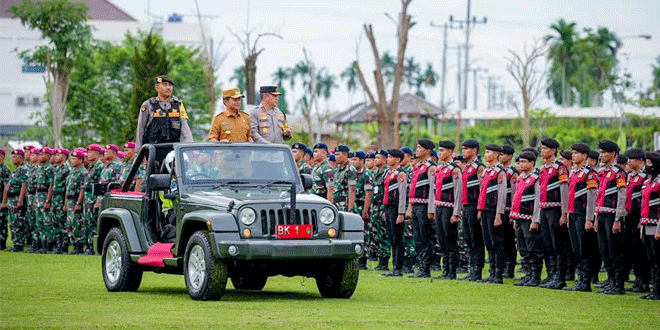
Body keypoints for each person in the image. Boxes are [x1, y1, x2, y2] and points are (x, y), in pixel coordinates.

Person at [564, 143, 598, 292]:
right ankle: (580, 279)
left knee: (584, 248)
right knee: (576, 248)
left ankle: (585, 282)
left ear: (584, 156)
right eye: (572, 153)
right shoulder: (573, 172)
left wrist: (589, 218)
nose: (573, 155)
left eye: (576, 153)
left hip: (583, 214)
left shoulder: (589, 174)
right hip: (572, 214)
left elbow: (591, 197)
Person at [594, 139, 627, 295]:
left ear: (613, 154)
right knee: (604, 250)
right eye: (600, 152)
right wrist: (595, 217)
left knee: (615, 250)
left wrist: (617, 218)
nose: (601, 155)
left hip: (612, 215)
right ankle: (611, 281)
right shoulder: (601, 172)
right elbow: (598, 195)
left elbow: (622, 196)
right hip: (601, 215)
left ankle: (618, 285)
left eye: (604, 152)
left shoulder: (618, 173)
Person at [135, 75, 193, 162]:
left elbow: (185, 129)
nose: (168, 88)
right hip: (153, 150)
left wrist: (190, 148)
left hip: (173, 149)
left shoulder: (178, 105)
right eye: (165, 85)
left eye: (170, 85)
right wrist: (139, 152)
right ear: (156, 87)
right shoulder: (148, 105)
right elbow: (141, 129)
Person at [537, 138, 570, 290]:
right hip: (544, 209)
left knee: (558, 244)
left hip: (555, 209)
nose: (542, 151)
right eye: (542, 148)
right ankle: (551, 274)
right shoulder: (543, 168)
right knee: (548, 244)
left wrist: (564, 213)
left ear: (553, 151)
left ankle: (560, 277)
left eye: (545, 148)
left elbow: (564, 191)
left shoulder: (560, 168)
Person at [510, 151, 544, 287]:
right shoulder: (521, 178)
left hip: (529, 218)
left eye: (524, 162)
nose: (521, 164)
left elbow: (538, 200)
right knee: (523, 248)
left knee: (533, 248)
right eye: (520, 162)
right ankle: (528, 275)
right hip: (519, 217)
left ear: (532, 163)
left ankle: (535, 277)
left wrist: (535, 220)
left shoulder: (536, 178)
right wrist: (514, 217)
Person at [476, 144, 507, 284]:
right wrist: (480, 209)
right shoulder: (486, 172)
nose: (485, 154)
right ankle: (492, 273)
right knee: (488, 243)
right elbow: (482, 192)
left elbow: (501, 195)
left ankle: (498, 275)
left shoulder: (499, 172)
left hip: (494, 210)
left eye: (488, 152)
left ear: (496, 155)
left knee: (497, 243)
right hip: (485, 210)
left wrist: (499, 214)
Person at [405, 139, 437, 278]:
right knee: (417, 237)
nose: (417, 150)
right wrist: (409, 207)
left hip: (424, 206)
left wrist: (431, 208)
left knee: (424, 237)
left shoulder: (430, 167)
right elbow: (412, 189)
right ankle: (421, 266)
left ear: (427, 151)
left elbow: (432, 190)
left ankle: (425, 269)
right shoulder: (418, 166)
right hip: (416, 205)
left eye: (420, 148)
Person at [433, 140, 463, 280]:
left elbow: (458, 192)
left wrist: (456, 213)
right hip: (439, 207)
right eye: (439, 150)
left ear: (450, 152)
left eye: (443, 151)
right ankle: (445, 270)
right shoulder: (439, 168)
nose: (440, 153)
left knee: (450, 239)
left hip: (449, 208)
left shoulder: (454, 169)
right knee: (441, 239)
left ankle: (452, 271)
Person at [622, 148, 650, 293]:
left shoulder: (645, 177)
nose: (628, 162)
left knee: (641, 250)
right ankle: (638, 279)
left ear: (640, 160)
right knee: (631, 249)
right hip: (629, 217)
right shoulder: (630, 177)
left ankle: (643, 280)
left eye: (631, 159)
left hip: (640, 218)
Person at [460, 139, 485, 281]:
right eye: (463, 149)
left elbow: (482, 189)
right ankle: (472, 268)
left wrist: (480, 208)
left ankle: (477, 270)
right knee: (468, 238)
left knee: (476, 239)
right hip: (466, 206)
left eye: (466, 149)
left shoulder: (479, 167)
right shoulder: (467, 167)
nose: (464, 151)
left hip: (474, 206)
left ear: (474, 150)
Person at [381, 149, 408, 277]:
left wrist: (401, 213)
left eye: (391, 157)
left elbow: (402, 194)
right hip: (388, 207)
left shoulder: (400, 174)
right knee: (392, 238)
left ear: (398, 159)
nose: (388, 159)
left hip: (396, 208)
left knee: (398, 239)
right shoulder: (388, 173)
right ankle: (394, 267)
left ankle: (398, 267)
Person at [639, 152, 660, 300]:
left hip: (656, 224)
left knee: (658, 259)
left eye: (649, 163)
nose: (647, 166)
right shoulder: (647, 181)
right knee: (651, 259)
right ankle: (655, 289)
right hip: (646, 224)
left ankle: (658, 290)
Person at [2, 150, 28, 252]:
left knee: (18, 222)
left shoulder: (23, 169)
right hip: (12, 199)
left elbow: (24, 185)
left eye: (15, 157)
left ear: (21, 157)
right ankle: (15, 243)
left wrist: (20, 200)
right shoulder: (16, 170)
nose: (13, 159)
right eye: (12, 157)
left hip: (17, 198)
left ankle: (19, 244)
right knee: (12, 222)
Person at [500, 144, 519, 278]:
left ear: (510, 156)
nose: (501, 157)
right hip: (501, 210)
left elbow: (514, 194)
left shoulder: (513, 172)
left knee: (509, 240)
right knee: (502, 240)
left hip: (508, 210)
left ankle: (510, 268)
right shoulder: (500, 171)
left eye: (503, 154)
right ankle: (504, 265)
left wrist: (513, 212)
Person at [65, 148, 87, 255]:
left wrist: (78, 203)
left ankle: (79, 246)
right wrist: (65, 203)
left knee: (78, 223)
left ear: (81, 160)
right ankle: (74, 245)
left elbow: (82, 189)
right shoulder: (72, 171)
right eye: (72, 158)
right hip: (69, 200)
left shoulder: (83, 172)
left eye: (75, 159)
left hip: (76, 199)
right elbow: (67, 188)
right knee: (70, 224)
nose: (72, 160)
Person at [51, 148, 70, 254]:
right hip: (55, 199)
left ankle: (64, 245)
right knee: (56, 222)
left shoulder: (66, 170)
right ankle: (58, 244)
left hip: (62, 199)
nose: (56, 157)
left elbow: (68, 188)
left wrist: (65, 203)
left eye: (59, 155)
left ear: (64, 157)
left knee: (63, 223)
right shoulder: (57, 169)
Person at [331, 145, 357, 212]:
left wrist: (350, 209)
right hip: (336, 205)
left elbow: (352, 190)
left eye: (338, 154)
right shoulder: (337, 169)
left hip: (345, 206)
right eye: (335, 155)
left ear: (345, 155)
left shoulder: (350, 169)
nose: (335, 157)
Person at [0, 149, 10, 250]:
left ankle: (2, 243)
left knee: (2, 221)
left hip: (1, 198)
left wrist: (4, 201)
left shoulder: (4, 169)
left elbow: (6, 186)